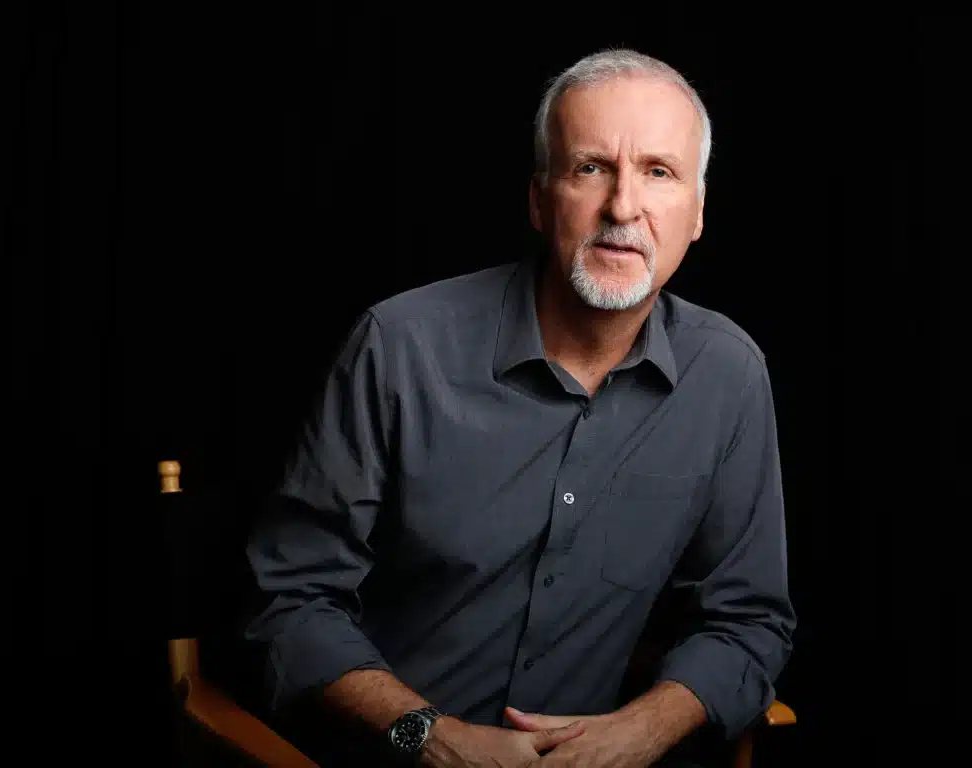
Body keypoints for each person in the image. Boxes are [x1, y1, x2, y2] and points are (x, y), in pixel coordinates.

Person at [244, 47, 796, 767]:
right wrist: (430, 738)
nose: (623, 207)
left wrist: (642, 733)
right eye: (591, 168)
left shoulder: (728, 375)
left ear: (696, 213)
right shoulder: (401, 348)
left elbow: (750, 621)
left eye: (658, 173)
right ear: (539, 199)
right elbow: (288, 605)